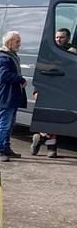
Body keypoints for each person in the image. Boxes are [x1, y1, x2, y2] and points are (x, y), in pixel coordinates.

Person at [31, 28, 77, 158]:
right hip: (49, 88)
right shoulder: (49, 51)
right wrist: (37, 90)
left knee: (57, 118)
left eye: (61, 37)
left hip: (65, 89)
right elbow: (41, 72)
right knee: (51, 118)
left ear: (67, 38)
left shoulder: (72, 53)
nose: (58, 39)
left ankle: (40, 137)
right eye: (57, 37)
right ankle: (51, 148)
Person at [0, 31, 27, 162]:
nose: (19, 44)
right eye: (17, 41)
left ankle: (5, 148)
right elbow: (3, 76)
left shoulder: (11, 56)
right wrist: (20, 79)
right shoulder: (2, 58)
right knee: (5, 124)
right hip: (5, 96)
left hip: (11, 96)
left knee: (10, 124)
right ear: (9, 42)